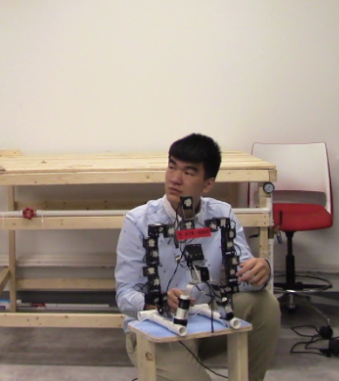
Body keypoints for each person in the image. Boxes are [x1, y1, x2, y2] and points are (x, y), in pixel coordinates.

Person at [115, 133, 280, 381]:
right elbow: (125, 296)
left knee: (265, 304)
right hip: (155, 328)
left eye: (188, 173)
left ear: (208, 184)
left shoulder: (222, 214)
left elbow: (244, 282)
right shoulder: (139, 221)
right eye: (172, 167)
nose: (175, 179)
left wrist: (260, 270)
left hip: (205, 319)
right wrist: (159, 301)